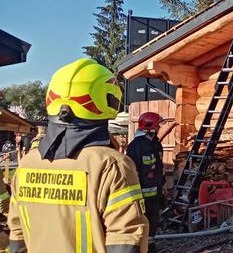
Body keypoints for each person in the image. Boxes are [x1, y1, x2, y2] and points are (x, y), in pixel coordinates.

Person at [8, 58, 148, 253]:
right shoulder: (111, 165)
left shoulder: (27, 164)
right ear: (107, 99)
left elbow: (16, 236)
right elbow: (126, 239)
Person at [126, 112, 175, 253]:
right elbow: (132, 171)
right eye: (157, 125)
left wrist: (164, 187)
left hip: (156, 193)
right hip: (141, 194)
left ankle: (151, 247)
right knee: (142, 222)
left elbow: (159, 168)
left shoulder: (156, 145)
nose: (159, 128)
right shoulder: (135, 147)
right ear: (149, 127)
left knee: (153, 222)